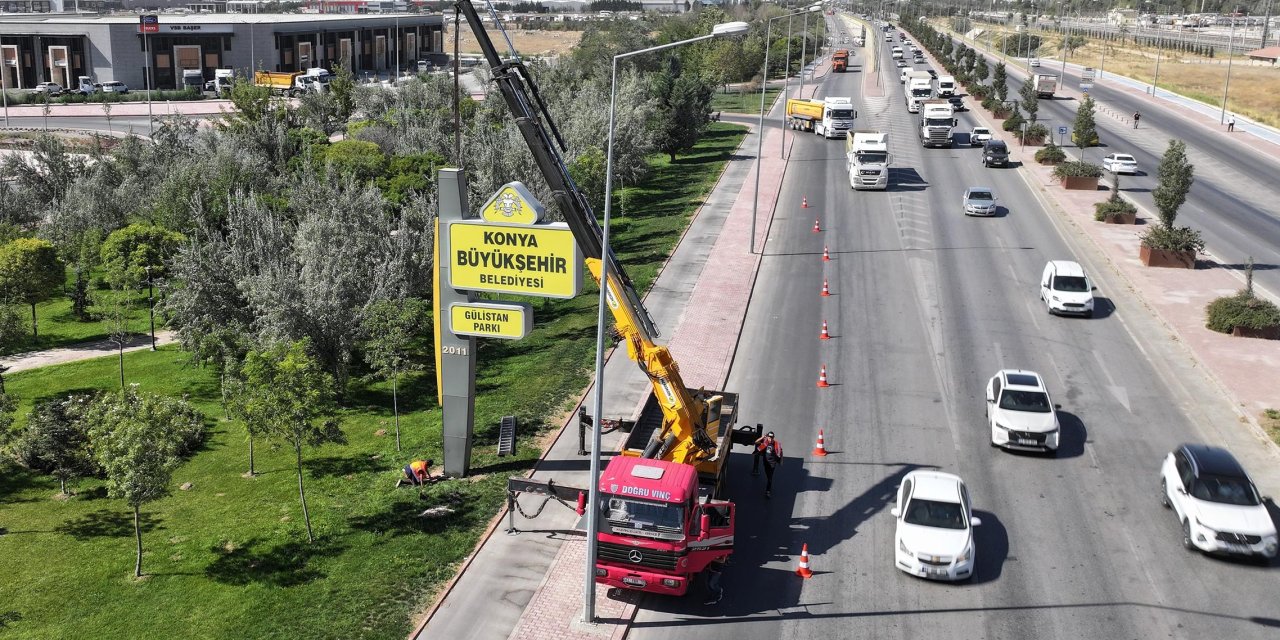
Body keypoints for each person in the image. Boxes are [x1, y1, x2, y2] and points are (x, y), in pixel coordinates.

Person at [753, 432, 783, 498]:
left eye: (772, 438)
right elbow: (756, 442)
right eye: (769, 438)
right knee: (767, 475)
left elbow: (779, 453)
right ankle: (769, 484)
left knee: (770, 478)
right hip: (766, 463)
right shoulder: (765, 443)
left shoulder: (776, 444)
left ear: (773, 438)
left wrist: (778, 459)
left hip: (772, 464)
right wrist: (762, 437)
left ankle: (768, 491)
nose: (770, 439)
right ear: (768, 437)